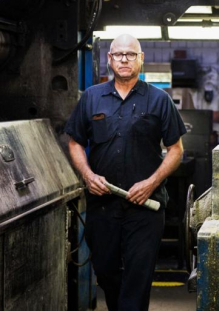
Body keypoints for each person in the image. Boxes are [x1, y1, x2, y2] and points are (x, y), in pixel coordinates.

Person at [65, 34, 186, 311]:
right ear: (109, 59)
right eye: (118, 54)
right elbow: (74, 142)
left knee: (138, 276)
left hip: (145, 207)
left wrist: (151, 182)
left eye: (131, 54)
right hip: (103, 205)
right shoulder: (92, 98)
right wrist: (87, 175)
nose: (124, 59)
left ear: (141, 59)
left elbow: (176, 149)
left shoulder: (159, 100)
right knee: (106, 270)